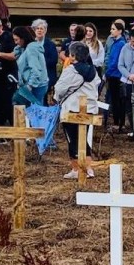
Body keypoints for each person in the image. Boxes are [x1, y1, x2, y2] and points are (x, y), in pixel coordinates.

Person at [55, 42, 100, 180]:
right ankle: (88, 167)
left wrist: (57, 98)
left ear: (73, 55)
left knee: (73, 139)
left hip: (72, 109)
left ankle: (77, 168)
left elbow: (60, 89)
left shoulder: (71, 70)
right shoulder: (93, 70)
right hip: (88, 109)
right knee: (83, 138)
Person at [12, 26, 48, 106]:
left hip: (35, 85)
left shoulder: (31, 49)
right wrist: (18, 48)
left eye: (16, 40)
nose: (15, 42)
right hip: (35, 84)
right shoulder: (26, 48)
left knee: (35, 111)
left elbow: (36, 68)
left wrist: (30, 86)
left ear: (23, 38)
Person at [105, 22, 126, 132]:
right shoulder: (116, 42)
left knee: (117, 100)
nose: (111, 31)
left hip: (116, 75)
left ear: (119, 31)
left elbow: (115, 61)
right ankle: (117, 122)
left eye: (113, 29)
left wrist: (107, 72)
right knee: (115, 100)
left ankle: (119, 123)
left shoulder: (120, 44)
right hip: (113, 73)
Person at [31, 19, 58, 104]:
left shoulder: (50, 45)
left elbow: (53, 61)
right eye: (37, 28)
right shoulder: (30, 44)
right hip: (31, 77)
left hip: (46, 77)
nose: (39, 30)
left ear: (45, 30)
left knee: (42, 100)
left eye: (41, 28)